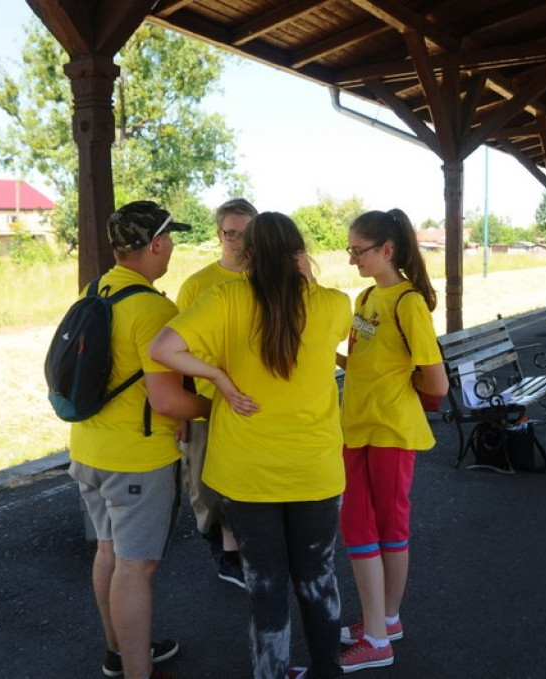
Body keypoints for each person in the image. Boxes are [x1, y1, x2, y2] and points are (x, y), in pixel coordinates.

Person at [151, 212, 351, 679]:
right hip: (315, 469)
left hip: (243, 472)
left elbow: (163, 348)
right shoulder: (335, 303)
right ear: (300, 254)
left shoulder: (225, 297)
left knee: (265, 584)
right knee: (318, 579)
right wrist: (305, 280)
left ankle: (271, 673)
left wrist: (217, 377)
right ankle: (329, 671)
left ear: (248, 254)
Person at [68, 200, 212, 679]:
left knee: (108, 553)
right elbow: (168, 400)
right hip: (136, 461)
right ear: (155, 244)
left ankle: (117, 651)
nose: (171, 248)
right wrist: (218, 405)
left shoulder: (98, 288)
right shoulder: (152, 308)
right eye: (170, 239)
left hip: (87, 450)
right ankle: (137, 671)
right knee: (136, 567)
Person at [334, 209, 449, 672]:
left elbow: (437, 384)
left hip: (391, 430)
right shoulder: (365, 298)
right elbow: (364, 361)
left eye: (358, 251)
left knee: (384, 526)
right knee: (359, 523)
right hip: (357, 426)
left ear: (387, 250)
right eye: (350, 251)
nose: (352, 260)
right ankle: (381, 620)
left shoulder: (409, 303)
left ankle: (380, 636)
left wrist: (393, 392)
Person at [175, 197, 258, 589]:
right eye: (230, 234)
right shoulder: (196, 286)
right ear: (218, 234)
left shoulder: (268, 279)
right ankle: (224, 552)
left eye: (246, 234)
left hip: (255, 405)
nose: (238, 242)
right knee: (207, 489)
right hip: (208, 404)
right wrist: (181, 412)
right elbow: (175, 353)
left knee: (250, 484)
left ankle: (238, 555)